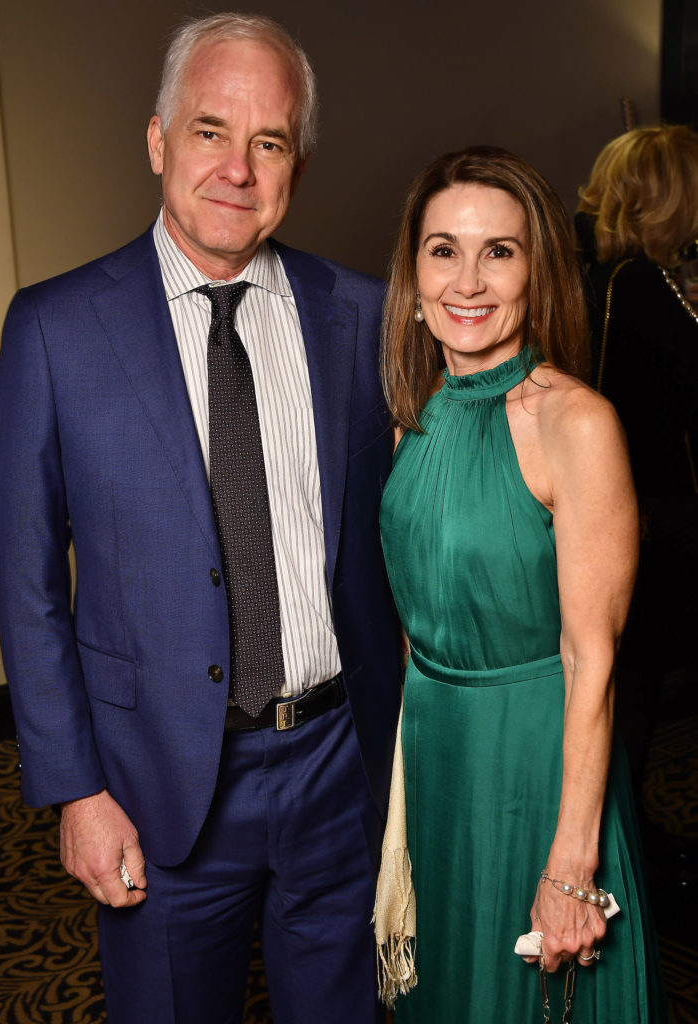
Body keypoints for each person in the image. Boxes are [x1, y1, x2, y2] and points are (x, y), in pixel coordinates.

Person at [0, 13, 401, 1024]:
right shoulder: (53, 328)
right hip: (154, 786)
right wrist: (75, 791)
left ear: (295, 161)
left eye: (269, 141)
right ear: (159, 139)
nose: (238, 168)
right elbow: (28, 581)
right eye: (212, 130)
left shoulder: (360, 315)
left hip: (337, 768)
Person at [378, 147, 667, 1022]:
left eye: (499, 251)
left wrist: (571, 867)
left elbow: (592, 660)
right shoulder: (415, 414)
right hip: (435, 754)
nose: (468, 279)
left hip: (535, 761)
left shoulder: (574, 421)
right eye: (444, 250)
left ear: (537, 267)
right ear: (414, 273)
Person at [576, 126, 698, 796]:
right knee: (630, 687)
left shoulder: (597, 273)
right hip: (645, 512)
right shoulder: (638, 282)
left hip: (629, 506)